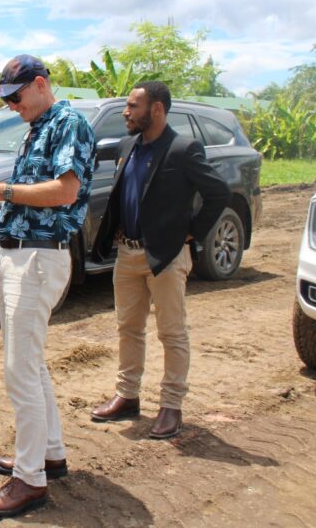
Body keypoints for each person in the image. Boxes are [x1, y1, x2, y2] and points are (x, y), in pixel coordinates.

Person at [0, 55, 95, 519]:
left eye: (16, 97)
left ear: (40, 85)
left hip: (38, 256)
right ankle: (48, 454)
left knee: (20, 370)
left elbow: (65, 191)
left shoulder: (69, 123)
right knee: (31, 364)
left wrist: (1, 192)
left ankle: (29, 480)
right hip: (22, 252)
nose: (11, 106)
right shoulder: (39, 125)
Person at [89, 81, 230, 439]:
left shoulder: (183, 149)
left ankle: (171, 406)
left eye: (133, 106)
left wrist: (192, 233)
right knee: (128, 328)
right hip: (127, 254)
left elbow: (218, 193)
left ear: (156, 110)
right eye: (127, 105)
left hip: (166, 256)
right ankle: (127, 396)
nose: (126, 112)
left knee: (171, 333)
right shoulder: (128, 145)